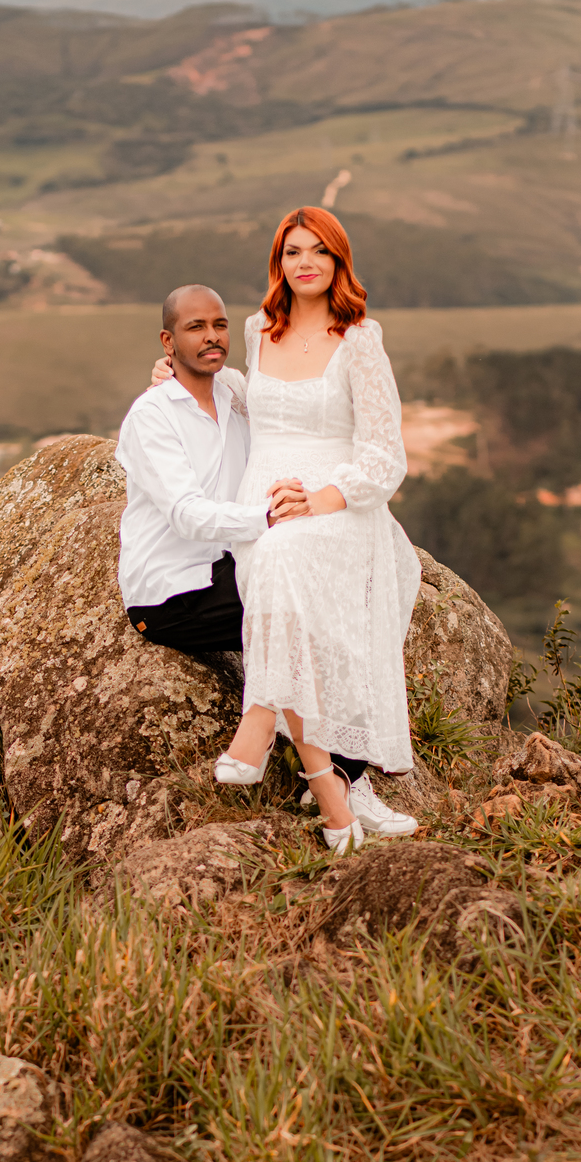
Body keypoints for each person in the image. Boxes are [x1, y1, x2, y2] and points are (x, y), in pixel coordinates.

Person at [116, 278, 418, 843]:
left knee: (324, 591)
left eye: (220, 325)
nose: (212, 337)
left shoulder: (233, 401)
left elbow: (286, 405)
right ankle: (336, 787)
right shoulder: (152, 416)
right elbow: (185, 513)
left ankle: (315, 777)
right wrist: (269, 520)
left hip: (228, 566)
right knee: (306, 612)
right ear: (167, 340)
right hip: (171, 594)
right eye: (195, 328)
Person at [215, 206, 421, 852]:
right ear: (279, 262)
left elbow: (387, 455)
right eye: (292, 251)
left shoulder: (359, 339)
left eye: (318, 252)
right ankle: (336, 787)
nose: (305, 263)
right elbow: (260, 406)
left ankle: (262, 717)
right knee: (272, 550)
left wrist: (324, 498)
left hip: (336, 508)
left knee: (284, 556)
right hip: (265, 500)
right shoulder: (257, 331)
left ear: (338, 262)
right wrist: (193, 375)